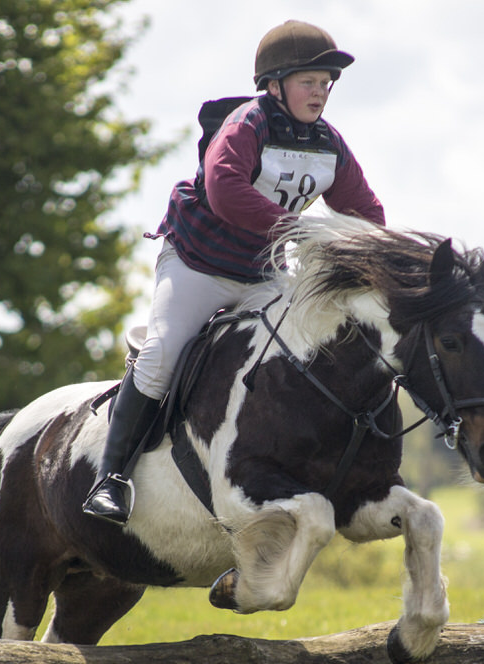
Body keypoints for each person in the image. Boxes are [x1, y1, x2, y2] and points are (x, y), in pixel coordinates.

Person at [82, 20, 386, 524]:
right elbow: (224, 191)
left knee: (304, 353)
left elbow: (365, 212)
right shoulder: (247, 124)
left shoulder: (329, 143)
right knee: (160, 357)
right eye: (309, 81)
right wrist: (300, 229)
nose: (320, 92)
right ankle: (110, 478)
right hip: (198, 263)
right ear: (275, 84)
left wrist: (368, 254)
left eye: (326, 83)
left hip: (260, 274)